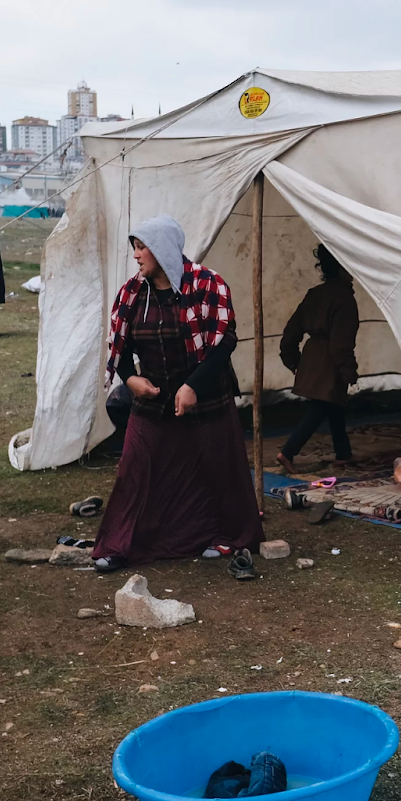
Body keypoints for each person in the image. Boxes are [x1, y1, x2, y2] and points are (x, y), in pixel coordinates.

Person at [92, 214, 263, 574]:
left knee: (219, 468)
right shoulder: (131, 294)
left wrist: (193, 386)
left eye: (142, 247)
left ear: (162, 249)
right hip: (153, 400)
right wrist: (130, 379)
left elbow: (224, 342)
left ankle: (229, 536)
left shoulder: (208, 284)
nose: (136, 255)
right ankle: (119, 544)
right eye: (135, 247)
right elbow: (119, 349)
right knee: (134, 468)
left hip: (207, 395)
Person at [277, 244, 360, 472]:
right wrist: (348, 369)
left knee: (334, 405)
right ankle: (288, 451)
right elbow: (341, 343)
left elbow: (291, 332)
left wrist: (294, 360)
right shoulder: (344, 299)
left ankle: (343, 453)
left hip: (313, 357)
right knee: (321, 407)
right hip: (329, 362)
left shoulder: (314, 294)